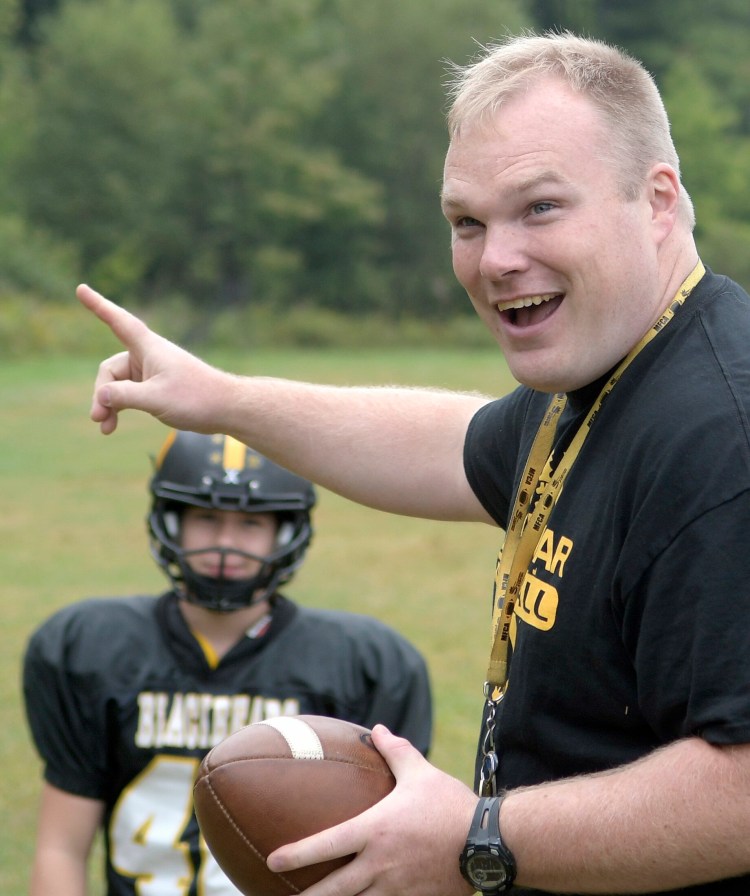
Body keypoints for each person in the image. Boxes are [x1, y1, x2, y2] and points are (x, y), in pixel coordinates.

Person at [72, 28, 750, 896]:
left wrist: (478, 837)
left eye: (540, 207)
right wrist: (218, 397)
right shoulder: (605, 379)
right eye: (468, 222)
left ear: (657, 201)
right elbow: (451, 445)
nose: (496, 259)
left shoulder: (718, 433)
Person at [23, 430, 432, 896]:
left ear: (285, 529)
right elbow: (60, 847)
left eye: (250, 524)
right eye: (206, 518)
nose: (224, 544)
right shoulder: (88, 650)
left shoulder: (365, 665)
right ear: (171, 521)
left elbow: (393, 859)